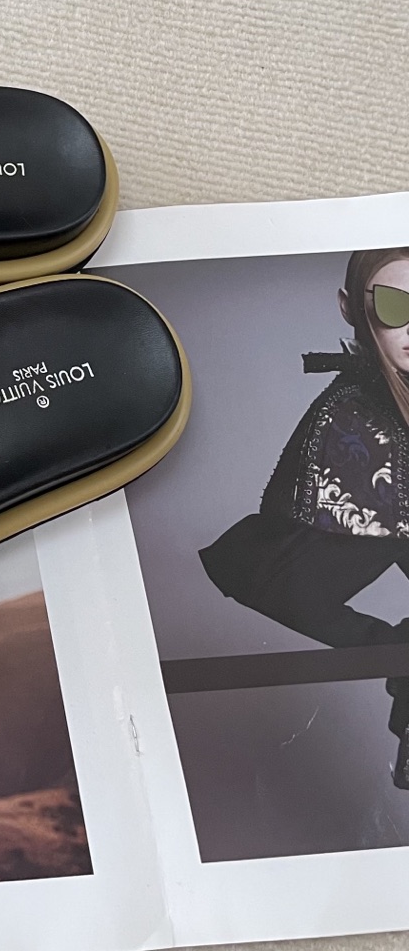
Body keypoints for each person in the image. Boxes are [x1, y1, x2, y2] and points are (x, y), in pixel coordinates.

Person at [200, 247, 409, 786]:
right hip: (309, 553)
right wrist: (388, 649)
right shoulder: (353, 411)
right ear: (351, 308)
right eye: (394, 306)